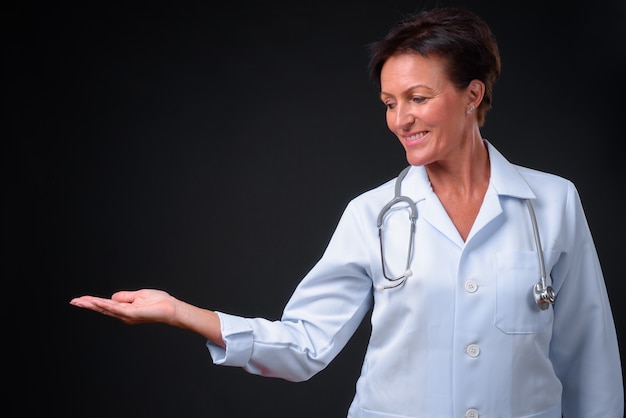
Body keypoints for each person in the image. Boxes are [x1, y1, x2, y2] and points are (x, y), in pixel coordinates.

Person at [70, 6, 623, 417]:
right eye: (389, 103)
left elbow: (589, 363)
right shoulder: (373, 215)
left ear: (473, 94)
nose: (400, 119)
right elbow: (304, 345)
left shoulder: (551, 204)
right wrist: (178, 312)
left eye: (418, 98)